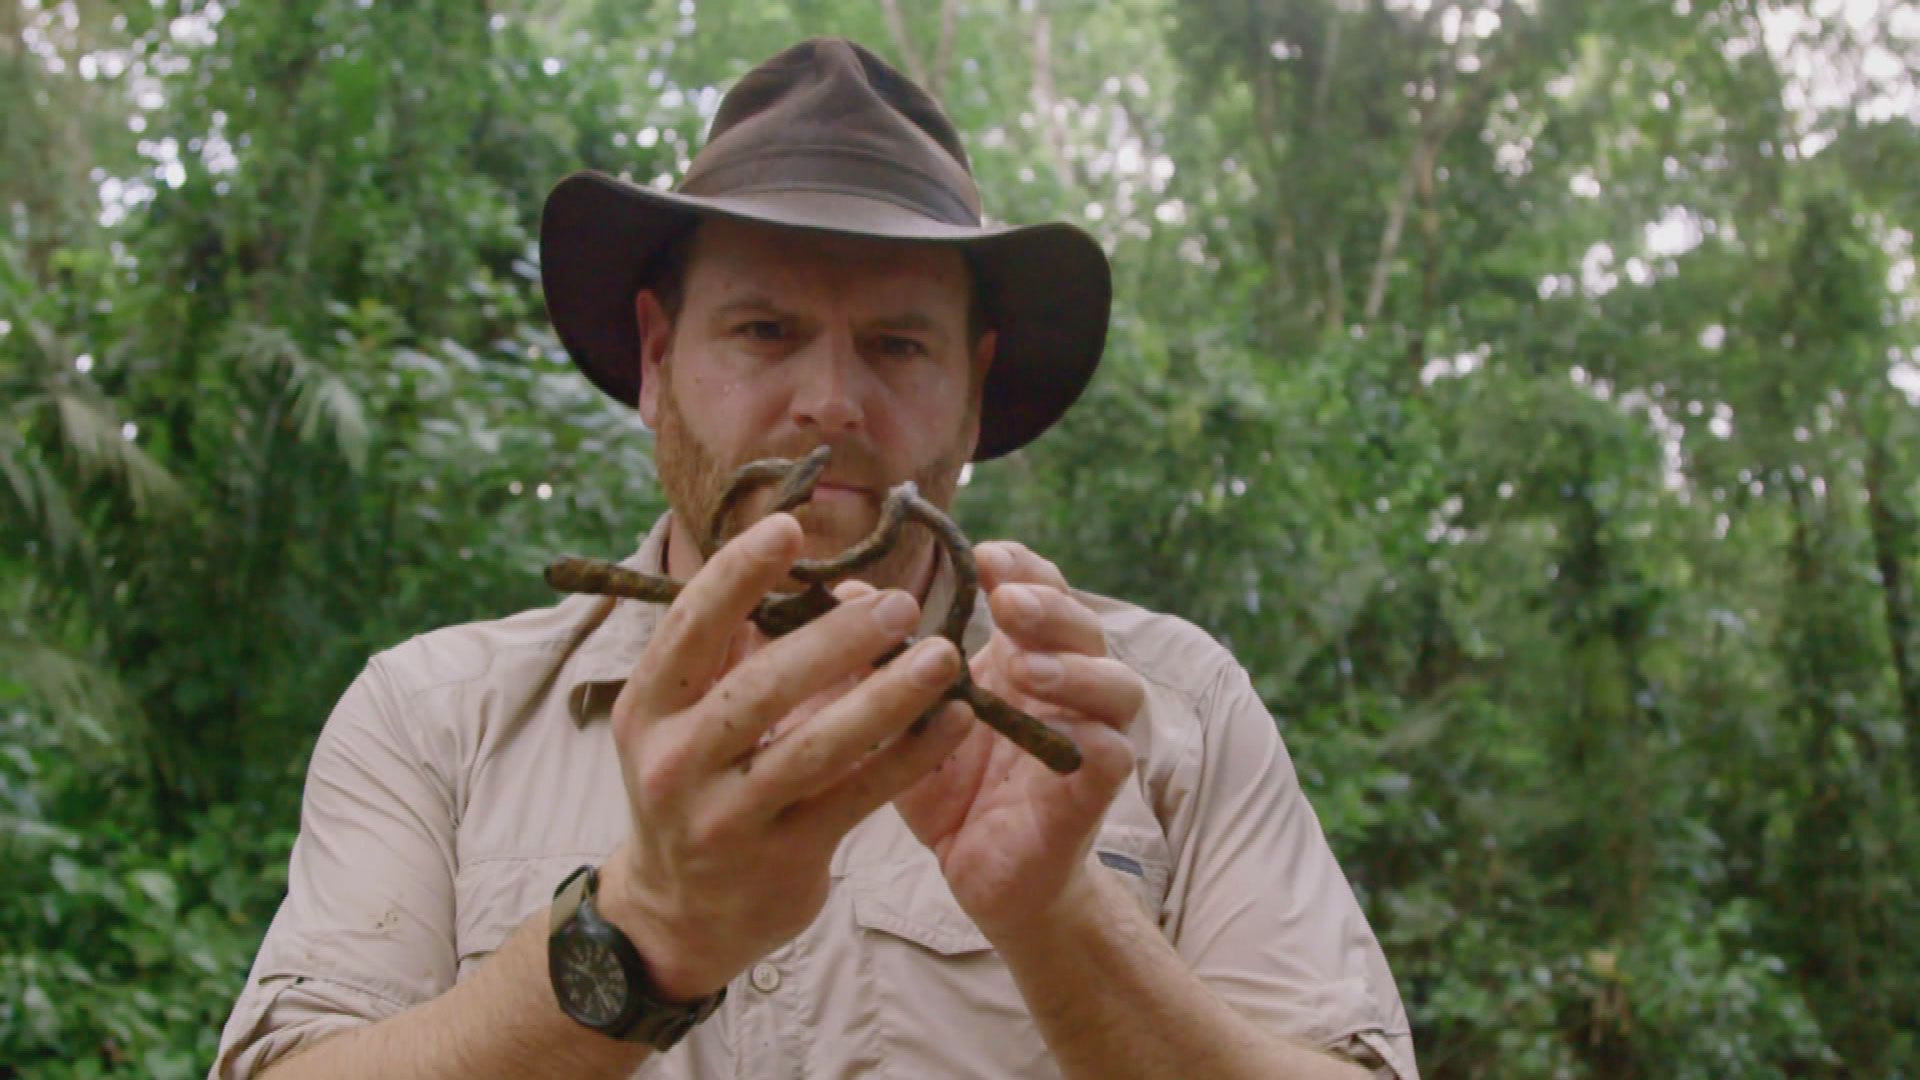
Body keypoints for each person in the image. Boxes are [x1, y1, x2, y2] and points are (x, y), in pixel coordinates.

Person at [210, 37, 1418, 1080]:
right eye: (765, 331)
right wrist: (641, 930)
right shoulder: (435, 720)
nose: (831, 403)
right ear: (655, 357)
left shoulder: (1165, 709)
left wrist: (1060, 918)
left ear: (973, 394)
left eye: (896, 345)